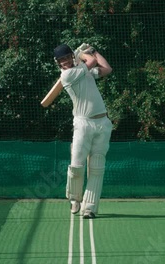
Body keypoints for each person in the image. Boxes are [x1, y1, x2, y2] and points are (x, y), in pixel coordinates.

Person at [53, 43, 113, 219]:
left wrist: (91, 51)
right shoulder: (68, 75)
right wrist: (84, 54)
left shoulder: (84, 72)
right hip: (82, 123)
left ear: (71, 56)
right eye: (61, 60)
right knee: (77, 165)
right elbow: (92, 61)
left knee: (97, 167)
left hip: (102, 123)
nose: (64, 62)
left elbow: (106, 69)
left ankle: (90, 208)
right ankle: (74, 198)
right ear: (58, 63)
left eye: (66, 57)